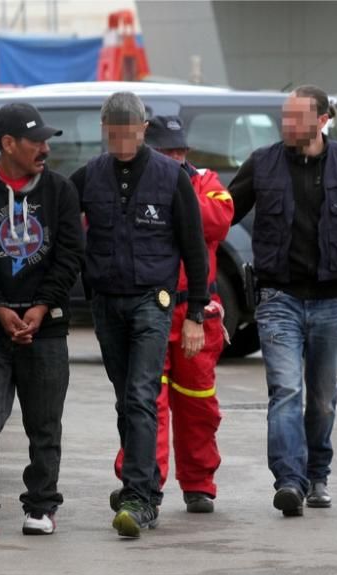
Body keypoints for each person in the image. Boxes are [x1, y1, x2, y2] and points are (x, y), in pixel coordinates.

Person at [229, 85, 337, 517]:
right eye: (285, 116)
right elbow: (220, 212)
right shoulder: (262, 163)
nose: (288, 125)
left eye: (297, 117)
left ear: (322, 120)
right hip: (277, 296)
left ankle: (318, 473)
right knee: (285, 390)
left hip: (330, 302)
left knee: (321, 398)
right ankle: (289, 482)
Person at [71, 92, 209, 539]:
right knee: (124, 397)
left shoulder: (171, 178)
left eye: (128, 133)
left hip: (154, 302)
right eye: (112, 134)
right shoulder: (90, 176)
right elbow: (55, 213)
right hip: (107, 303)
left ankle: (139, 498)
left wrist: (195, 313)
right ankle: (142, 480)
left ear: (144, 130)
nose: (121, 141)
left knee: (141, 396)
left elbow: (194, 249)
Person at [0, 103, 84, 539]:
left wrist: (42, 307)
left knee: (45, 423)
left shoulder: (61, 192)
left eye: (47, 140)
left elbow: (70, 256)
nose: (45, 148)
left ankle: (42, 506)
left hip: (46, 327)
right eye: (36, 141)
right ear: (8, 144)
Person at [108, 115, 233, 514]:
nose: (176, 157)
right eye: (167, 152)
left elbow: (218, 222)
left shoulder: (208, 185)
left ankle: (199, 483)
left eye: (180, 151)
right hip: (151, 308)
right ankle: (142, 483)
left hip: (196, 313)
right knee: (147, 403)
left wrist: (170, 191)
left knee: (198, 404)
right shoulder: (129, 185)